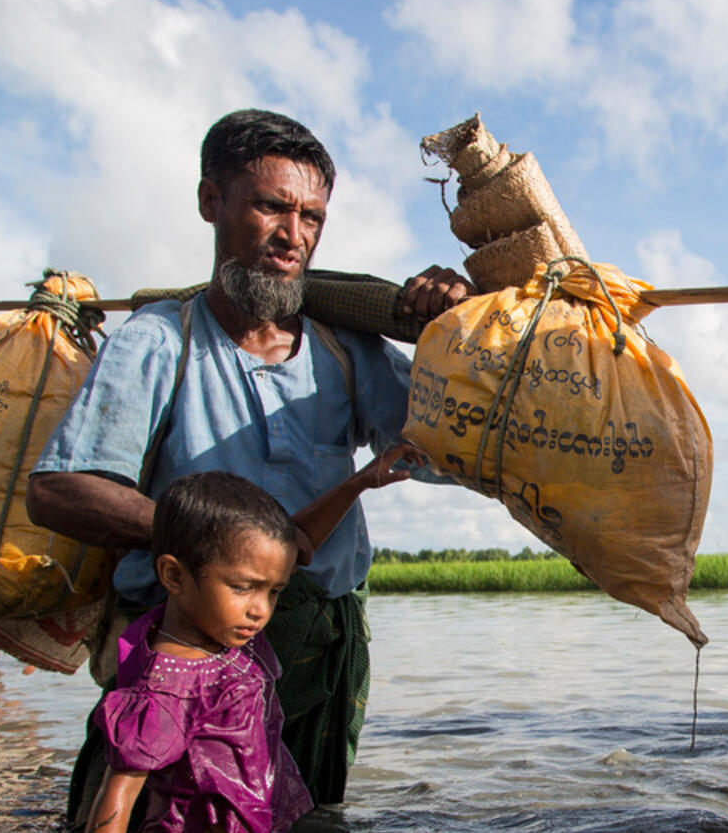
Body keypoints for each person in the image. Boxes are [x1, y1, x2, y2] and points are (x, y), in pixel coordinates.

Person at [27, 108, 474, 826]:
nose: (292, 235)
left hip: (317, 649)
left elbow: (458, 456)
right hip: (185, 645)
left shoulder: (344, 348)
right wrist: (213, 544)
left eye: (312, 217)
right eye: (270, 206)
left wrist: (458, 335)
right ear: (212, 202)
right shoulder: (157, 340)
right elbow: (55, 491)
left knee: (303, 816)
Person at [88, 466, 409, 833]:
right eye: (243, 587)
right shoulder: (168, 687)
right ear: (174, 576)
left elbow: (299, 542)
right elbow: (118, 795)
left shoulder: (225, 634)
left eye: (274, 591)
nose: (260, 610)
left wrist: (359, 482)